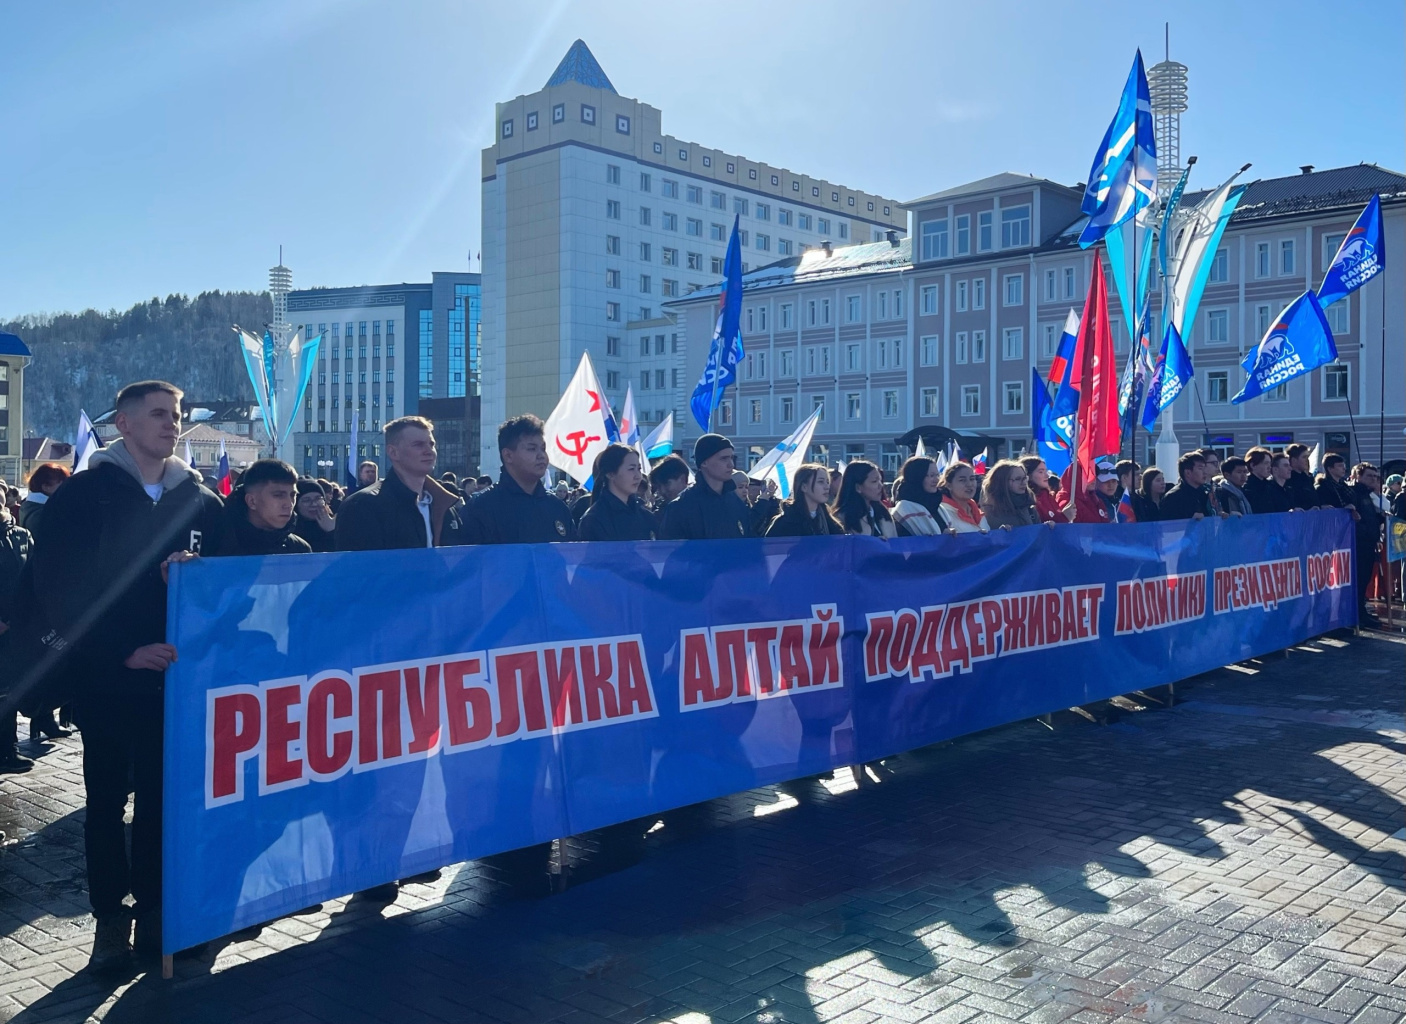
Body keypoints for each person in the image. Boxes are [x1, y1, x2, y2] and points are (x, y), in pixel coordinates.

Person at [21, 381, 224, 967]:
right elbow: (57, 590)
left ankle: (158, 911)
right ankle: (110, 918)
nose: (172, 424)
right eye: (158, 414)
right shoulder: (85, 495)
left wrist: (197, 581)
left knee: (165, 800)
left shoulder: (201, 501)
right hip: (107, 679)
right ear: (124, 424)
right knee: (107, 802)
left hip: (178, 683)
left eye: (177, 415)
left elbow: (231, 589)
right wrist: (120, 653)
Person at [337, 417, 465, 550]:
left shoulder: (444, 505)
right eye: (418, 445)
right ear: (393, 452)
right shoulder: (362, 506)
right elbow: (359, 562)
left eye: (431, 444)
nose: (429, 451)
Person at [458, 416, 575, 544]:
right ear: (508, 455)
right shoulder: (480, 509)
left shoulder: (558, 508)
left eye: (543, 449)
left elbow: (573, 554)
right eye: (532, 449)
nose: (541, 455)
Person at [658, 434, 752, 540]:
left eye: (731, 458)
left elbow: (748, 543)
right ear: (704, 462)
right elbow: (670, 548)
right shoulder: (681, 507)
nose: (731, 464)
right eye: (724, 458)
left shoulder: (736, 503)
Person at [213, 459, 312, 556]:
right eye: (278, 495)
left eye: (293, 495)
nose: (289, 504)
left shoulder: (300, 550)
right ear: (252, 501)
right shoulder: (216, 545)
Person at [0, 504, 34, 773]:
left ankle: (7, 750)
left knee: (8, 691)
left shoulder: (21, 534)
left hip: (14, 626)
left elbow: (33, 576)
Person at [578, 444, 656, 541]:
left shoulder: (644, 515)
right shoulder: (595, 519)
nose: (638, 476)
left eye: (639, 469)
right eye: (631, 469)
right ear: (610, 474)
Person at [1348, 463, 1385, 626]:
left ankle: (1361, 611)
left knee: (1364, 579)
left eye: (1375, 476)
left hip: (1369, 543)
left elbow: (1368, 518)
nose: (1373, 479)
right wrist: (1367, 533)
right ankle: (1357, 614)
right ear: (1358, 476)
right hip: (1359, 544)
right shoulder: (1354, 493)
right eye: (1369, 476)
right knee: (1359, 579)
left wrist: (1380, 519)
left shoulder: (1367, 495)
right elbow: (1355, 519)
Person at [764, 463, 842, 537]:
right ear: (804, 487)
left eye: (827, 482)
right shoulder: (784, 523)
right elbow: (770, 545)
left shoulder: (830, 523)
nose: (827, 487)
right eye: (820, 482)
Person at [833, 460, 896, 538]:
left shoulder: (883, 513)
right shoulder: (841, 519)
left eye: (880, 480)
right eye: (874, 481)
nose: (880, 486)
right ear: (858, 487)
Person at [980, 460, 1046, 529]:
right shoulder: (989, 512)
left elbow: (1038, 534)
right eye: (1018, 479)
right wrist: (999, 532)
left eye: (1025, 478)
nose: (1024, 483)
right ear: (1002, 482)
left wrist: (1047, 528)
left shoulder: (1029, 508)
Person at [891, 457, 948, 536]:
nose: (936, 480)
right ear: (918, 477)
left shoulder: (938, 507)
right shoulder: (904, 509)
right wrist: (938, 538)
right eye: (931, 476)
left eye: (937, 475)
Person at [1057, 458, 1120, 524]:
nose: (1093, 479)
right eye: (1088, 475)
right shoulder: (1068, 502)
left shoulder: (1097, 501)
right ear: (1077, 476)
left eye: (1094, 474)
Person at [1159, 452, 1216, 520]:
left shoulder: (1204, 493)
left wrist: (1219, 515)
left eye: (1204, 468)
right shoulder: (1173, 497)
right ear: (1188, 473)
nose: (1205, 472)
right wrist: (1189, 520)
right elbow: (1167, 524)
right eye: (1200, 468)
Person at [18, 462, 70, 537]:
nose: (66, 488)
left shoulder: (29, 506)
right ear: (46, 487)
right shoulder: (44, 513)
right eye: (62, 485)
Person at [939, 461, 992, 533]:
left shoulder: (979, 513)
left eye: (972, 479)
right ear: (949, 485)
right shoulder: (943, 513)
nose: (969, 484)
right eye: (962, 480)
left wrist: (1001, 532)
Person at [292, 478, 337, 553]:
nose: (314, 504)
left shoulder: (335, 524)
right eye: (306, 500)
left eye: (318, 499)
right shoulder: (289, 529)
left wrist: (331, 531)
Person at [1243, 447, 1292, 514]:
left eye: (1270, 463)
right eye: (1266, 463)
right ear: (1253, 465)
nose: (1269, 467)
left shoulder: (1271, 486)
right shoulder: (1246, 487)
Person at [1018, 456, 1064, 525]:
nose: (1047, 476)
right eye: (1041, 472)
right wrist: (1065, 517)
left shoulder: (1048, 497)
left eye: (1046, 471)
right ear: (1028, 475)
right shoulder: (1029, 501)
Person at [1285, 443, 1318, 510]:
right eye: (1304, 457)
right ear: (1294, 460)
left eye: (1307, 457)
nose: (1307, 460)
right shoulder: (1287, 479)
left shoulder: (1307, 478)